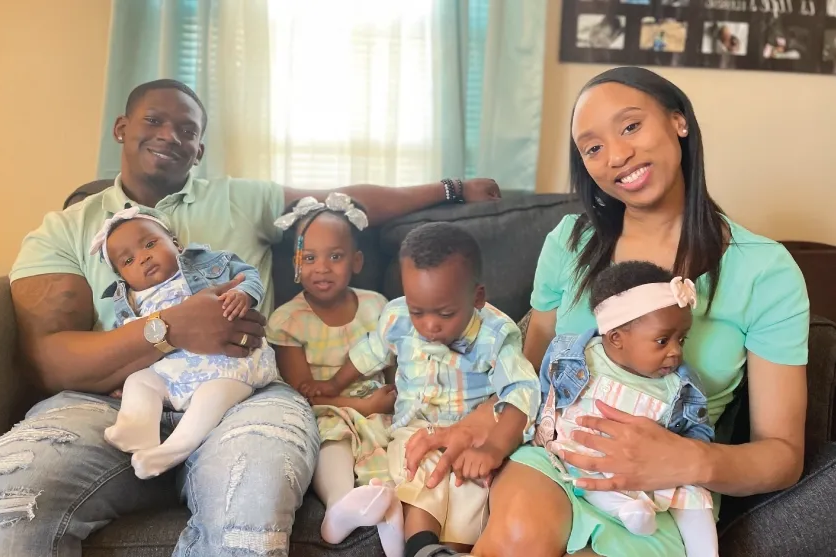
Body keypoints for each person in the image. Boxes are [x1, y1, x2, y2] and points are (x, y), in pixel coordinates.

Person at [0, 78, 500, 557]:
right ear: (121, 128)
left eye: (187, 130)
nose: (170, 136)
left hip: (245, 395)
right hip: (110, 401)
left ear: (200, 149)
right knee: (10, 497)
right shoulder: (67, 230)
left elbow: (343, 206)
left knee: (254, 499)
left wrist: (449, 189)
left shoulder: (238, 199)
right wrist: (169, 329)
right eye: (154, 121)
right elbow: (47, 358)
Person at [400, 66, 810, 557]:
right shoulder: (570, 243)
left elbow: (783, 455)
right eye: (592, 147)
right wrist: (475, 424)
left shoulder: (765, 270)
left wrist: (688, 460)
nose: (616, 155)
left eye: (631, 126)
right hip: (554, 461)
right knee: (518, 537)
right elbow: (526, 376)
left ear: (678, 121)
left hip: (661, 495)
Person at [319, 222, 540, 557]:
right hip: (413, 428)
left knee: (469, 486)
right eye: (417, 311)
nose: (429, 325)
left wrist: (493, 448)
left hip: (472, 434)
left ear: (477, 297)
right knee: (419, 472)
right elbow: (369, 353)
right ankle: (421, 546)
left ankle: (448, 549)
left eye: (446, 313)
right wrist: (332, 385)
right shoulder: (396, 317)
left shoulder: (496, 334)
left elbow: (522, 391)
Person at [534, 261, 717, 556]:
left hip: (652, 469)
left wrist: (678, 459)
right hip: (584, 456)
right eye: (662, 340)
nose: (677, 351)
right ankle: (627, 512)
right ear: (616, 337)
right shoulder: (577, 357)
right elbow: (544, 391)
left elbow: (698, 432)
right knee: (587, 475)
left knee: (695, 493)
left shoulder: (680, 386)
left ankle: (706, 551)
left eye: (682, 339)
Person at [95, 206, 279, 479]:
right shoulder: (129, 301)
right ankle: (137, 430)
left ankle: (172, 450)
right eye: (128, 261)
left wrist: (243, 293)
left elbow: (247, 275)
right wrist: (119, 380)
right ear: (123, 278)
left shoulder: (205, 265)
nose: (143, 258)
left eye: (149, 244)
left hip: (226, 363)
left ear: (177, 244)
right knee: (139, 382)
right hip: (174, 370)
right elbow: (128, 346)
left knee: (212, 398)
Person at [267, 193, 401, 556]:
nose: (321, 268)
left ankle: (390, 506)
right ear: (295, 264)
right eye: (309, 258)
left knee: (396, 439)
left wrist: (387, 401)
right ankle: (341, 503)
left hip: (378, 405)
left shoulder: (377, 306)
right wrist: (360, 403)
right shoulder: (289, 319)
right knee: (334, 437)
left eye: (335, 257)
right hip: (325, 407)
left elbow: (394, 368)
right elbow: (302, 393)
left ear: (356, 261)